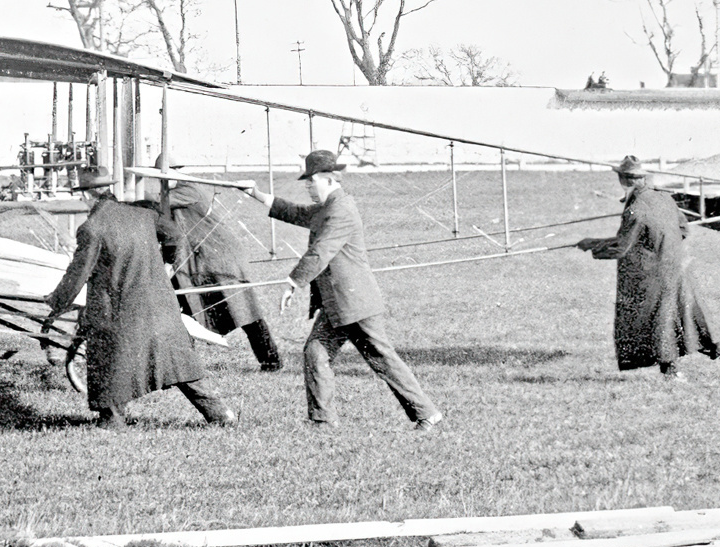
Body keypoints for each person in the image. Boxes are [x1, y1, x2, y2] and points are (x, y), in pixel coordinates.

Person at [238, 150, 442, 430]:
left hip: (354, 304)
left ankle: (426, 413)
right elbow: (294, 212)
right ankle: (323, 421)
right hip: (340, 304)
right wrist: (255, 193)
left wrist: (293, 282)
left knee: (382, 359)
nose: (308, 187)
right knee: (315, 354)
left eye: (311, 182)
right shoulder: (328, 207)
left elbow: (321, 251)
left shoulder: (340, 210)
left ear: (328, 178)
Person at [44, 166, 235, 429]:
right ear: (108, 189)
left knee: (110, 361)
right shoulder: (143, 214)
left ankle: (112, 420)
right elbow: (175, 235)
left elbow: (77, 275)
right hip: (160, 307)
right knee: (180, 366)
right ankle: (221, 414)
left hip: (120, 316)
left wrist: (55, 303)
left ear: (87, 196)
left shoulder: (93, 228)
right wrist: (168, 263)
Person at [574, 156, 720, 380]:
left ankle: (672, 372)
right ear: (644, 177)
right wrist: (596, 241)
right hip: (677, 269)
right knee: (689, 315)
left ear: (623, 179)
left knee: (656, 321)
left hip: (653, 276)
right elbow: (683, 229)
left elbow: (622, 247)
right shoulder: (664, 198)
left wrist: (593, 247)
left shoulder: (636, 208)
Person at [150, 155, 282, 371]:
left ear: (176, 171)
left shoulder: (188, 190)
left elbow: (157, 204)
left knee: (245, 312)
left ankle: (272, 361)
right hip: (198, 260)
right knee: (178, 307)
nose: (163, 181)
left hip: (220, 258)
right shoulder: (173, 191)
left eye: (165, 175)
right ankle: (181, 364)